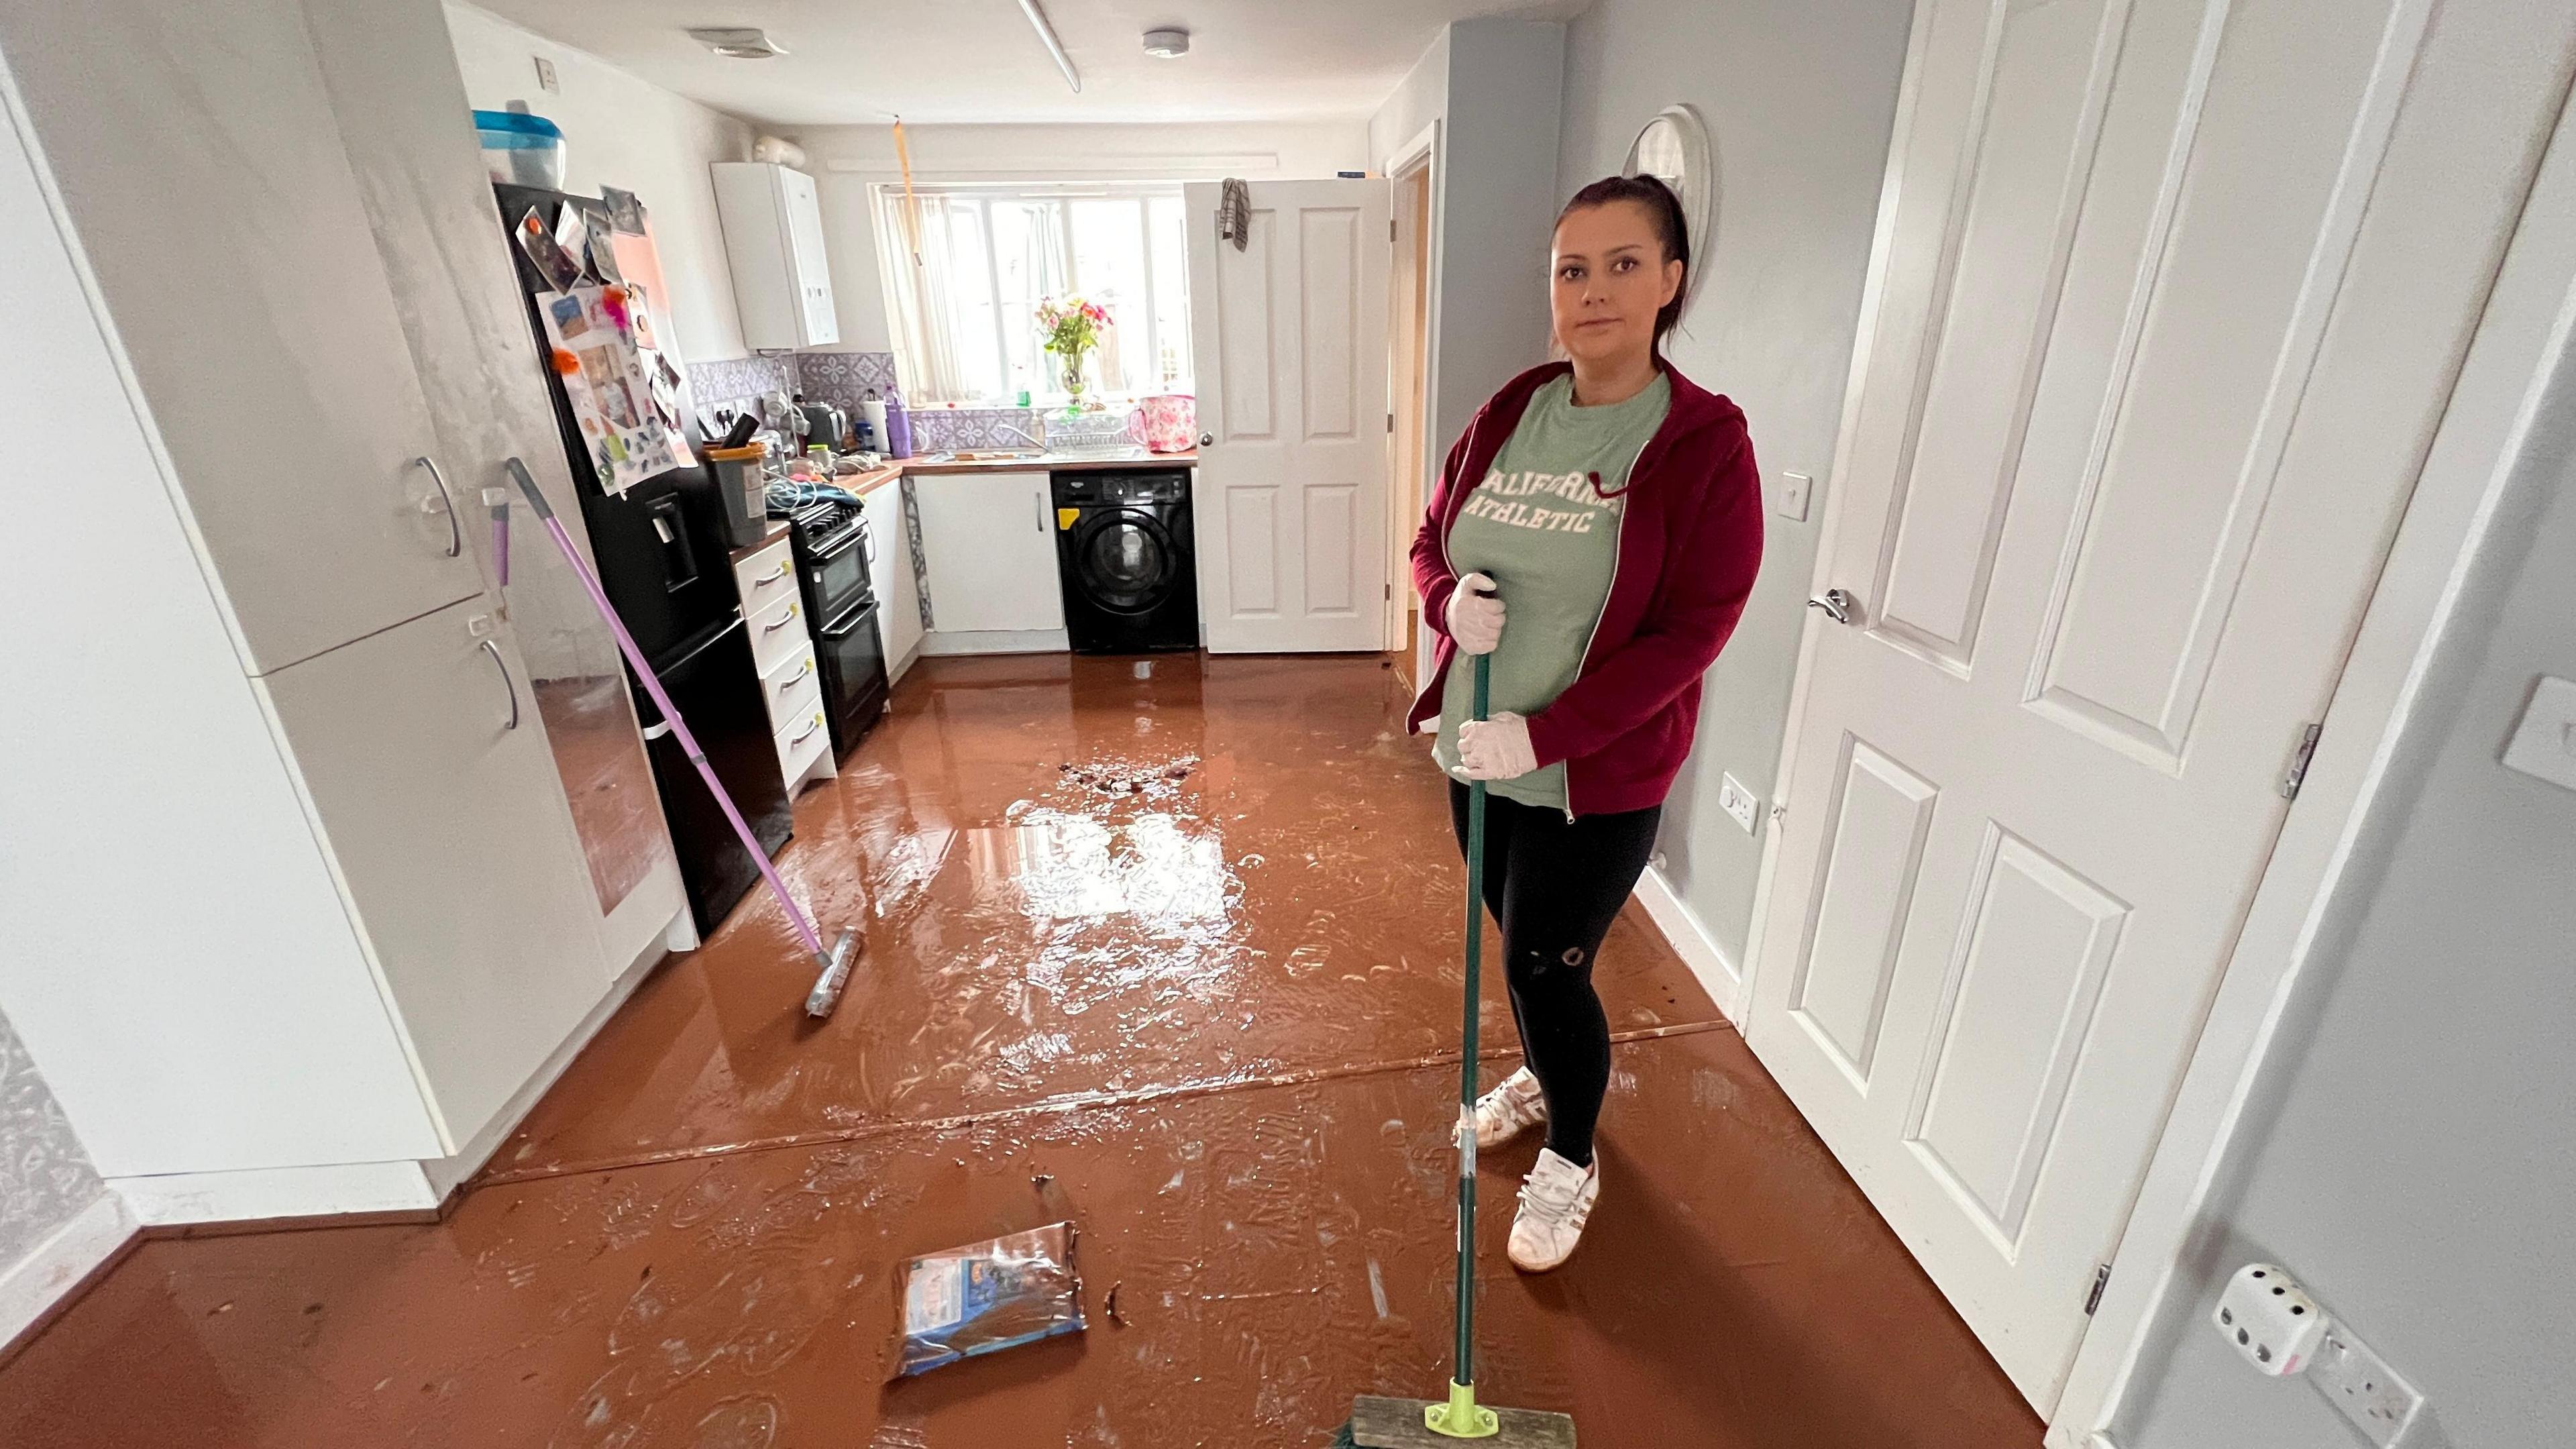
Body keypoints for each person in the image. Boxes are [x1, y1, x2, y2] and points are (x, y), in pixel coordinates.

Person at [1407, 174, 1764, 1272]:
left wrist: (1549, 734)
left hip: (1591, 776)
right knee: (1520, 956)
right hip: (1475, 752)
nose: (1593, 291)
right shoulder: (1515, 407)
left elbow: (1691, 634)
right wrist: (1442, 601)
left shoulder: (1704, 441)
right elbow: (1432, 539)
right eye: (1572, 269)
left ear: (1671, 284)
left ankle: (1574, 1151)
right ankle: (1545, 1071)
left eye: (1621, 266)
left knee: (1550, 970)